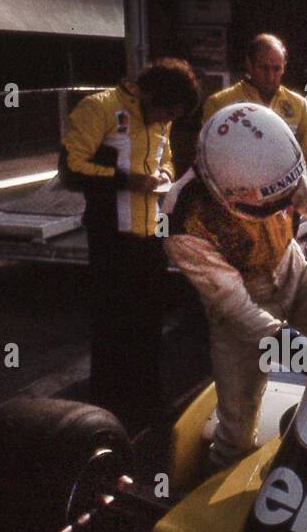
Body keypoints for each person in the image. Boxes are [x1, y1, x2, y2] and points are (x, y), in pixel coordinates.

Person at [163, 101, 307, 471]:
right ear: (221, 190)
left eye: (284, 200)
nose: (280, 210)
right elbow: (235, 307)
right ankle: (214, 503)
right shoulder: (182, 218)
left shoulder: (277, 166)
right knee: (237, 433)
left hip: (295, 273)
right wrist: (301, 353)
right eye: (268, 206)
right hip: (240, 311)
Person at [59, 58, 201, 430]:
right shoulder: (100, 108)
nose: (166, 119)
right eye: (165, 110)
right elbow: (70, 169)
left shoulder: (162, 116)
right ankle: (105, 413)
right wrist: (125, 180)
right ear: (149, 94)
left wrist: (166, 174)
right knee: (113, 327)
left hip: (149, 236)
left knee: (148, 325)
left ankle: (147, 410)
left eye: (173, 115)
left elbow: (166, 157)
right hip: (111, 238)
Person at [202, 33, 307, 177]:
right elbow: (206, 157)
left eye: (276, 69)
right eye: (264, 68)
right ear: (249, 65)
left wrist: (306, 188)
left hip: (287, 194)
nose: (270, 76)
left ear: (284, 67)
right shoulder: (219, 103)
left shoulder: (299, 104)